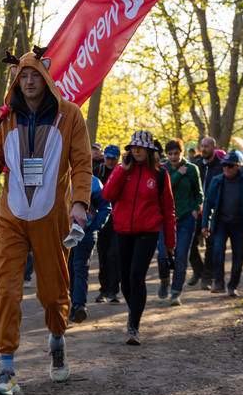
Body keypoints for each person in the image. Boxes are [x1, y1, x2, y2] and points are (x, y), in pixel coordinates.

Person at [0, 48, 91, 395]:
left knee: (53, 295)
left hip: (51, 216)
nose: (28, 82)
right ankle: (7, 367)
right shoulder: (5, 117)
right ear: (16, 81)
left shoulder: (70, 116)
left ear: (46, 78)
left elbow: (82, 164)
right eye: (22, 76)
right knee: (6, 290)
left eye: (34, 75)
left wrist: (80, 204)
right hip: (11, 217)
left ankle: (57, 338)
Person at [102, 130, 176, 345]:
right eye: (133, 147)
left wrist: (170, 243)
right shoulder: (122, 170)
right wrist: (121, 170)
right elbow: (107, 195)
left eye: (140, 147)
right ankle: (133, 310)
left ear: (149, 150)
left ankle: (134, 325)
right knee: (124, 279)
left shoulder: (161, 175)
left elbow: (168, 211)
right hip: (123, 230)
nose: (136, 150)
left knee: (136, 276)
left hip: (148, 231)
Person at [201, 152, 243, 296]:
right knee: (217, 251)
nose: (226, 168)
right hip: (221, 223)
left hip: (240, 225)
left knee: (238, 256)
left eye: (230, 166)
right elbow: (208, 203)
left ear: (237, 167)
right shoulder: (217, 181)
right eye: (224, 165)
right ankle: (219, 283)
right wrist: (205, 224)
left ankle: (232, 286)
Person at [156, 139, 203, 306]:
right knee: (164, 254)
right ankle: (164, 279)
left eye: (176, 153)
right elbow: (162, 189)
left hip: (186, 219)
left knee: (181, 255)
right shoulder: (162, 169)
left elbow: (199, 194)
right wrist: (177, 174)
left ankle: (176, 292)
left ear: (181, 153)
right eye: (170, 154)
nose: (173, 157)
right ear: (166, 155)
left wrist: (195, 210)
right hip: (165, 219)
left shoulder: (192, 169)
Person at [68, 176, 112, 323]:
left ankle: (79, 306)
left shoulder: (93, 182)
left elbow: (105, 207)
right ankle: (74, 305)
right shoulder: (58, 178)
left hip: (85, 234)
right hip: (66, 234)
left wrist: (93, 227)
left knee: (80, 267)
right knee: (69, 270)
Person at [188, 136, 222, 289]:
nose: (203, 149)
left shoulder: (221, 167)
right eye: (202, 146)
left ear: (213, 147)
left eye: (207, 146)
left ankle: (207, 277)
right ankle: (198, 270)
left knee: (211, 245)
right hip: (195, 209)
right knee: (189, 243)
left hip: (214, 211)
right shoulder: (194, 165)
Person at [93, 144, 121, 304]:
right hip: (101, 219)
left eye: (113, 158)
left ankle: (113, 291)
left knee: (114, 255)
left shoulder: (120, 172)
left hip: (117, 220)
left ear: (117, 158)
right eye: (108, 157)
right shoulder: (98, 171)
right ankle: (103, 290)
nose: (110, 161)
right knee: (103, 255)